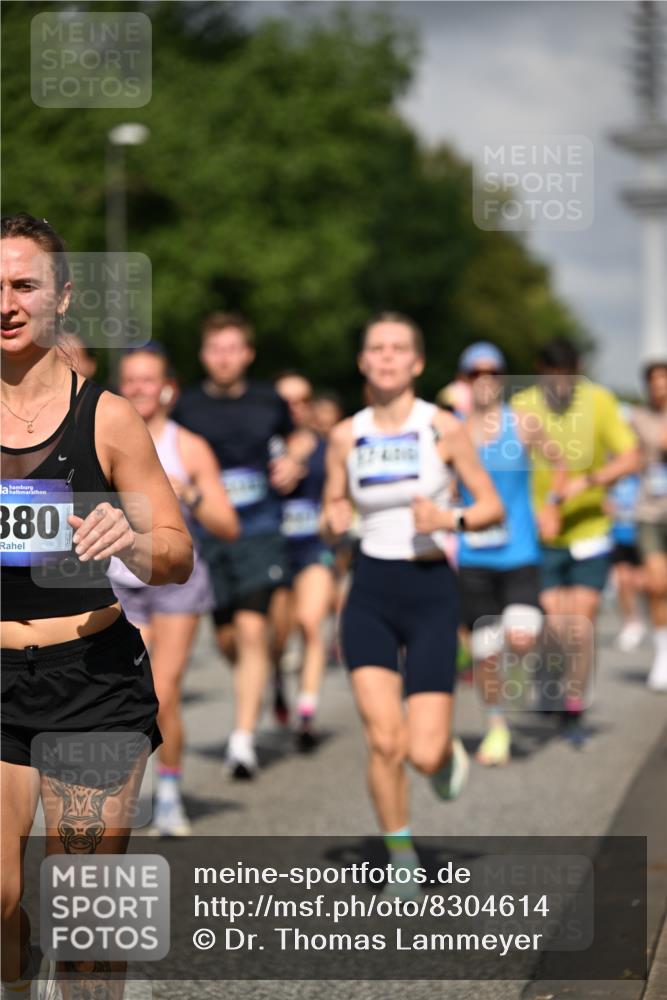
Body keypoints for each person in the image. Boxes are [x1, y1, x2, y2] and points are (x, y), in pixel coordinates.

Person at [1, 213, 193, 998]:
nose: (5, 302)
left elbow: (175, 555)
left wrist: (127, 540)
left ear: (62, 298)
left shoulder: (108, 416)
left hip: (91, 680)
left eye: (23, 285)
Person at [323, 312, 503, 894]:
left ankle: (442, 755)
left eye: (399, 348)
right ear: (363, 361)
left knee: (422, 753)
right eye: (377, 348)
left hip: (430, 591)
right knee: (384, 739)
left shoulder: (443, 427)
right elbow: (331, 510)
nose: (387, 357)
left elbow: (490, 507)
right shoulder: (345, 436)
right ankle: (401, 857)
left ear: (417, 363)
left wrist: (448, 518)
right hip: (370, 591)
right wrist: (333, 520)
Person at [108, 345, 239, 834]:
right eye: (131, 379)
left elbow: (228, 526)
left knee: (163, 695)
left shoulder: (189, 446)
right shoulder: (104, 436)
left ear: (169, 388)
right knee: (126, 694)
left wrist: (190, 494)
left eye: (149, 379)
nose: (140, 388)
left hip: (177, 585)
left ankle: (168, 795)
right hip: (122, 585)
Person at [171, 313, 304, 778]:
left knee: (254, 630)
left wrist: (293, 459)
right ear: (204, 355)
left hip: (261, 528)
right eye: (215, 349)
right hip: (208, 534)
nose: (224, 358)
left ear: (247, 354)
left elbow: (300, 439)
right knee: (229, 638)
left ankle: (242, 741)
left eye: (233, 348)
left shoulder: (270, 399)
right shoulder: (185, 408)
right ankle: (268, 676)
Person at [512, 337, 640, 746]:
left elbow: (630, 456)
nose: (559, 389)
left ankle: (573, 704)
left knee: (580, 626)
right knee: (551, 623)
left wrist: (590, 480)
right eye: (551, 380)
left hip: (589, 531)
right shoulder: (522, 406)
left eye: (565, 379)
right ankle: (550, 678)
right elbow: (506, 467)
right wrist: (534, 512)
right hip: (541, 533)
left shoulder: (599, 401)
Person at [455, 342, 567, 766]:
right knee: (485, 653)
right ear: (464, 381)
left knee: (519, 638)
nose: (485, 381)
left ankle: (533, 667)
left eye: (493, 373)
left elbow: (558, 463)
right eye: (475, 374)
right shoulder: (455, 432)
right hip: (473, 558)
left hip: (519, 551)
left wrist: (551, 504)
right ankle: (496, 728)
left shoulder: (521, 423)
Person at [271, 372, 336, 750]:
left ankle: (307, 713)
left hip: (314, 547)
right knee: (278, 639)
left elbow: (341, 492)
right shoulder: (262, 446)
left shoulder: (328, 447)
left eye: (302, 400)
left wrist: (335, 513)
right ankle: (278, 681)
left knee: (312, 624)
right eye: (287, 401)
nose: (295, 409)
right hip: (275, 551)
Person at [631, 361, 667, 691]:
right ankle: (662, 651)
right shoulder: (638, 418)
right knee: (657, 583)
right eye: (654, 381)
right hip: (649, 511)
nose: (660, 386)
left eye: (664, 380)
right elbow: (628, 456)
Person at [606, 469, 646, 652]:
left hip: (643, 535)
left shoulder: (647, 472)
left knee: (647, 583)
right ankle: (632, 623)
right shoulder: (611, 475)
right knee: (622, 581)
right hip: (619, 535)